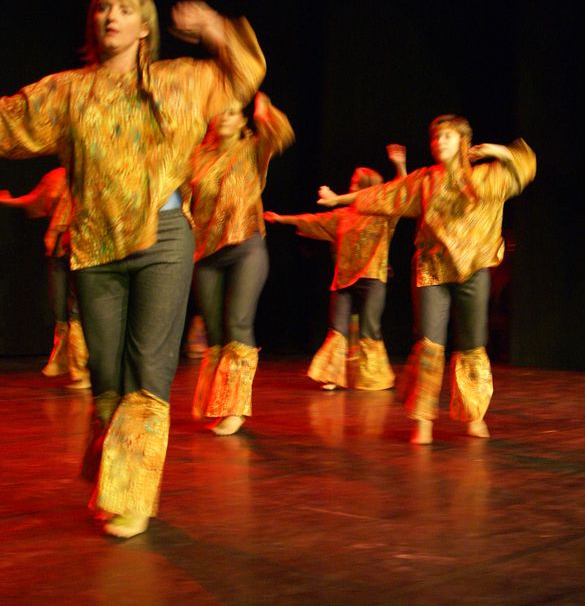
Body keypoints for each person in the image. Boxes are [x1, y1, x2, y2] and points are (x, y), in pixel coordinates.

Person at [0, 0, 265, 537]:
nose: (110, 17)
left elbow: (243, 76)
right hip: (95, 243)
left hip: (164, 238)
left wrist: (214, 28)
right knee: (106, 374)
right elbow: (8, 122)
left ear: (145, 26)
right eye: (102, 8)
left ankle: (133, 496)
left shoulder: (180, 80)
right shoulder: (67, 91)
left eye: (124, 9)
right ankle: (113, 477)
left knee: (148, 368)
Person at [318, 115, 535, 444]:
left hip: (473, 269)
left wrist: (498, 151)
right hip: (432, 269)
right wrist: (338, 200)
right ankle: (423, 420)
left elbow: (525, 166)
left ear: (463, 141)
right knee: (429, 345)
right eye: (435, 138)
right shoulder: (424, 180)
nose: (439, 142)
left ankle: (474, 415)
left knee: (472, 344)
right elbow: (383, 195)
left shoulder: (489, 176)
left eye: (447, 136)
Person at [189, 92, 294, 435]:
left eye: (232, 113)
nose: (224, 117)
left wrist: (265, 111)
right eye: (219, 112)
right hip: (206, 252)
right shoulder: (195, 157)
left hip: (246, 246)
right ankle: (217, 402)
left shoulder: (252, 149)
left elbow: (281, 135)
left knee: (237, 322)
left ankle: (234, 408)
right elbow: (179, 197)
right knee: (214, 331)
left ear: (242, 122)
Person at [265, 144, 407, 391]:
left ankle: (372, 378)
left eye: (356, 182)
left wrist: (399, 165)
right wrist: (281, 219)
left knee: (369, 329)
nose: (351, 185)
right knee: (338, 329)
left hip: (372, 277)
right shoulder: (343, 216)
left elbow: (401, 189)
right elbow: (312, 220)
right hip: (343, 280)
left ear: (366, 187)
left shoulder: (384, 215)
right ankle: (333, 375)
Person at [0, 167, 90, 388]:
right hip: (59, 251)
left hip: (84, 251)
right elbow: (37, 199)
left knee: (77, 312)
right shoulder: (57, 176)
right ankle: (66, 363)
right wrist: (9, 201)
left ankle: (82, 372)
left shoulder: (93, 175)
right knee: (59, 310)